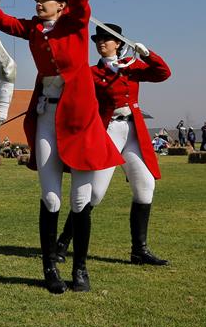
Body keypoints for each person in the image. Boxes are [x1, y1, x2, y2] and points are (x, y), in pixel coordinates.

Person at [0, 0, 124, 294]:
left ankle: (80, 268)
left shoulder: (76, 23)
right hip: (46, 117)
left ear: (61, 5)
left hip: (80, 121)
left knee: (82, 199)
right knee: (51, 197)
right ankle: (50, 268)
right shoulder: (34, 28)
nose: (39, 1)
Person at [56, 24, 172, 267]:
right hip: (107, 133)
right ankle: (62, 243)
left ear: (118, 43)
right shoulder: (92, 72)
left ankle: (139, 250)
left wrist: (147, 54)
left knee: (145, 187)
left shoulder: (132, 66)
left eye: (107, 40)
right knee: (95, 194)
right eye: (98, 40)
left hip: (132, 132)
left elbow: (163, 73)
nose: (101, 43)